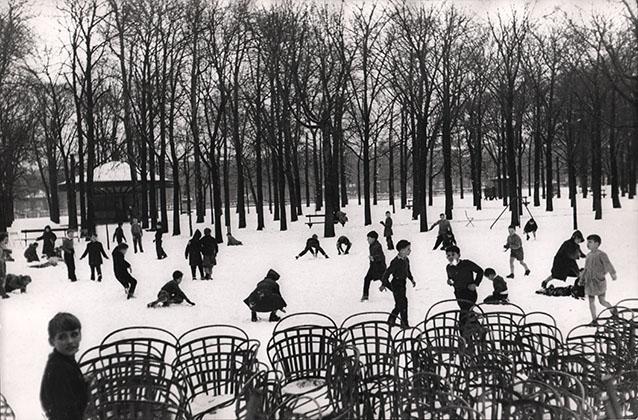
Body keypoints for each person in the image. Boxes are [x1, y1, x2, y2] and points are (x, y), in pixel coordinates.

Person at [39, 312, 89, 420]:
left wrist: (82, 382)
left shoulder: (64, 360)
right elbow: (66, 411)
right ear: (52, 341)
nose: (70, 341)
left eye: (74, 334)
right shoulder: (58, 369)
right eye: (62, 337)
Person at [580, 235, 617, 325]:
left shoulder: (601, 254)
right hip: (589, 282)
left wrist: (612, 273)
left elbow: (608, 264)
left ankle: (613, 311)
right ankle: (594, 320)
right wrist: (582, 279)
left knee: (602, 301)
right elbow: (586, 268)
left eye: (590, 242)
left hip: (599, 281)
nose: (587, 244)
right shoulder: (588, 255)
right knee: (591, 301)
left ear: (597, 244)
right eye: (587, 242)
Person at [445, 245, 483, 333]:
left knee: (464, 314)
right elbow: (451, 278)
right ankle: (477, 329)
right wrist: (450, 282)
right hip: (458, 293)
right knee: (467, 313)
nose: (450, 257)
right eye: (448, 255)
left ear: (459, 255)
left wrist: (475, 283)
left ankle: (465, 334)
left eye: (453, 254)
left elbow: (480, 271)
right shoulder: (449, 267)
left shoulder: (466, 263)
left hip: (469, 293)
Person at [380, 240, 415, 328]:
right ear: (401, 250)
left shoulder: (406, 260)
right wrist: (384, 284)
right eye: (408, 249)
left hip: (403, 283)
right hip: (396, 283)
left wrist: (412, 279)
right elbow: (387, 273)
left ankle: (391, 320)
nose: (409, 251)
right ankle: (404, 323)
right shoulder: (395, 262)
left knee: (400, 303)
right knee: (402, 303)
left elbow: (408, 271)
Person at [361, 231, 386, 301]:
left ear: (373, 238)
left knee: (385, 281)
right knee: (367, 279)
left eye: (368, 238)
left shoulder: (377, 246)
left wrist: (374, 258)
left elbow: (381, 256)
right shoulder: (372, 245)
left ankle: (398, 293)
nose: (367, 240)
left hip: (379, 267)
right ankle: (365, 296)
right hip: (374, 266)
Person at [0, 233, 10, 299]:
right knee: (2, 277)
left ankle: (2, 292)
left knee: (3, 276)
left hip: (3, 262)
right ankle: (3, 293)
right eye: (6, 239)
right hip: (0, 263)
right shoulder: (1, 246)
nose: (7, 240)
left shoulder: (3, 246)